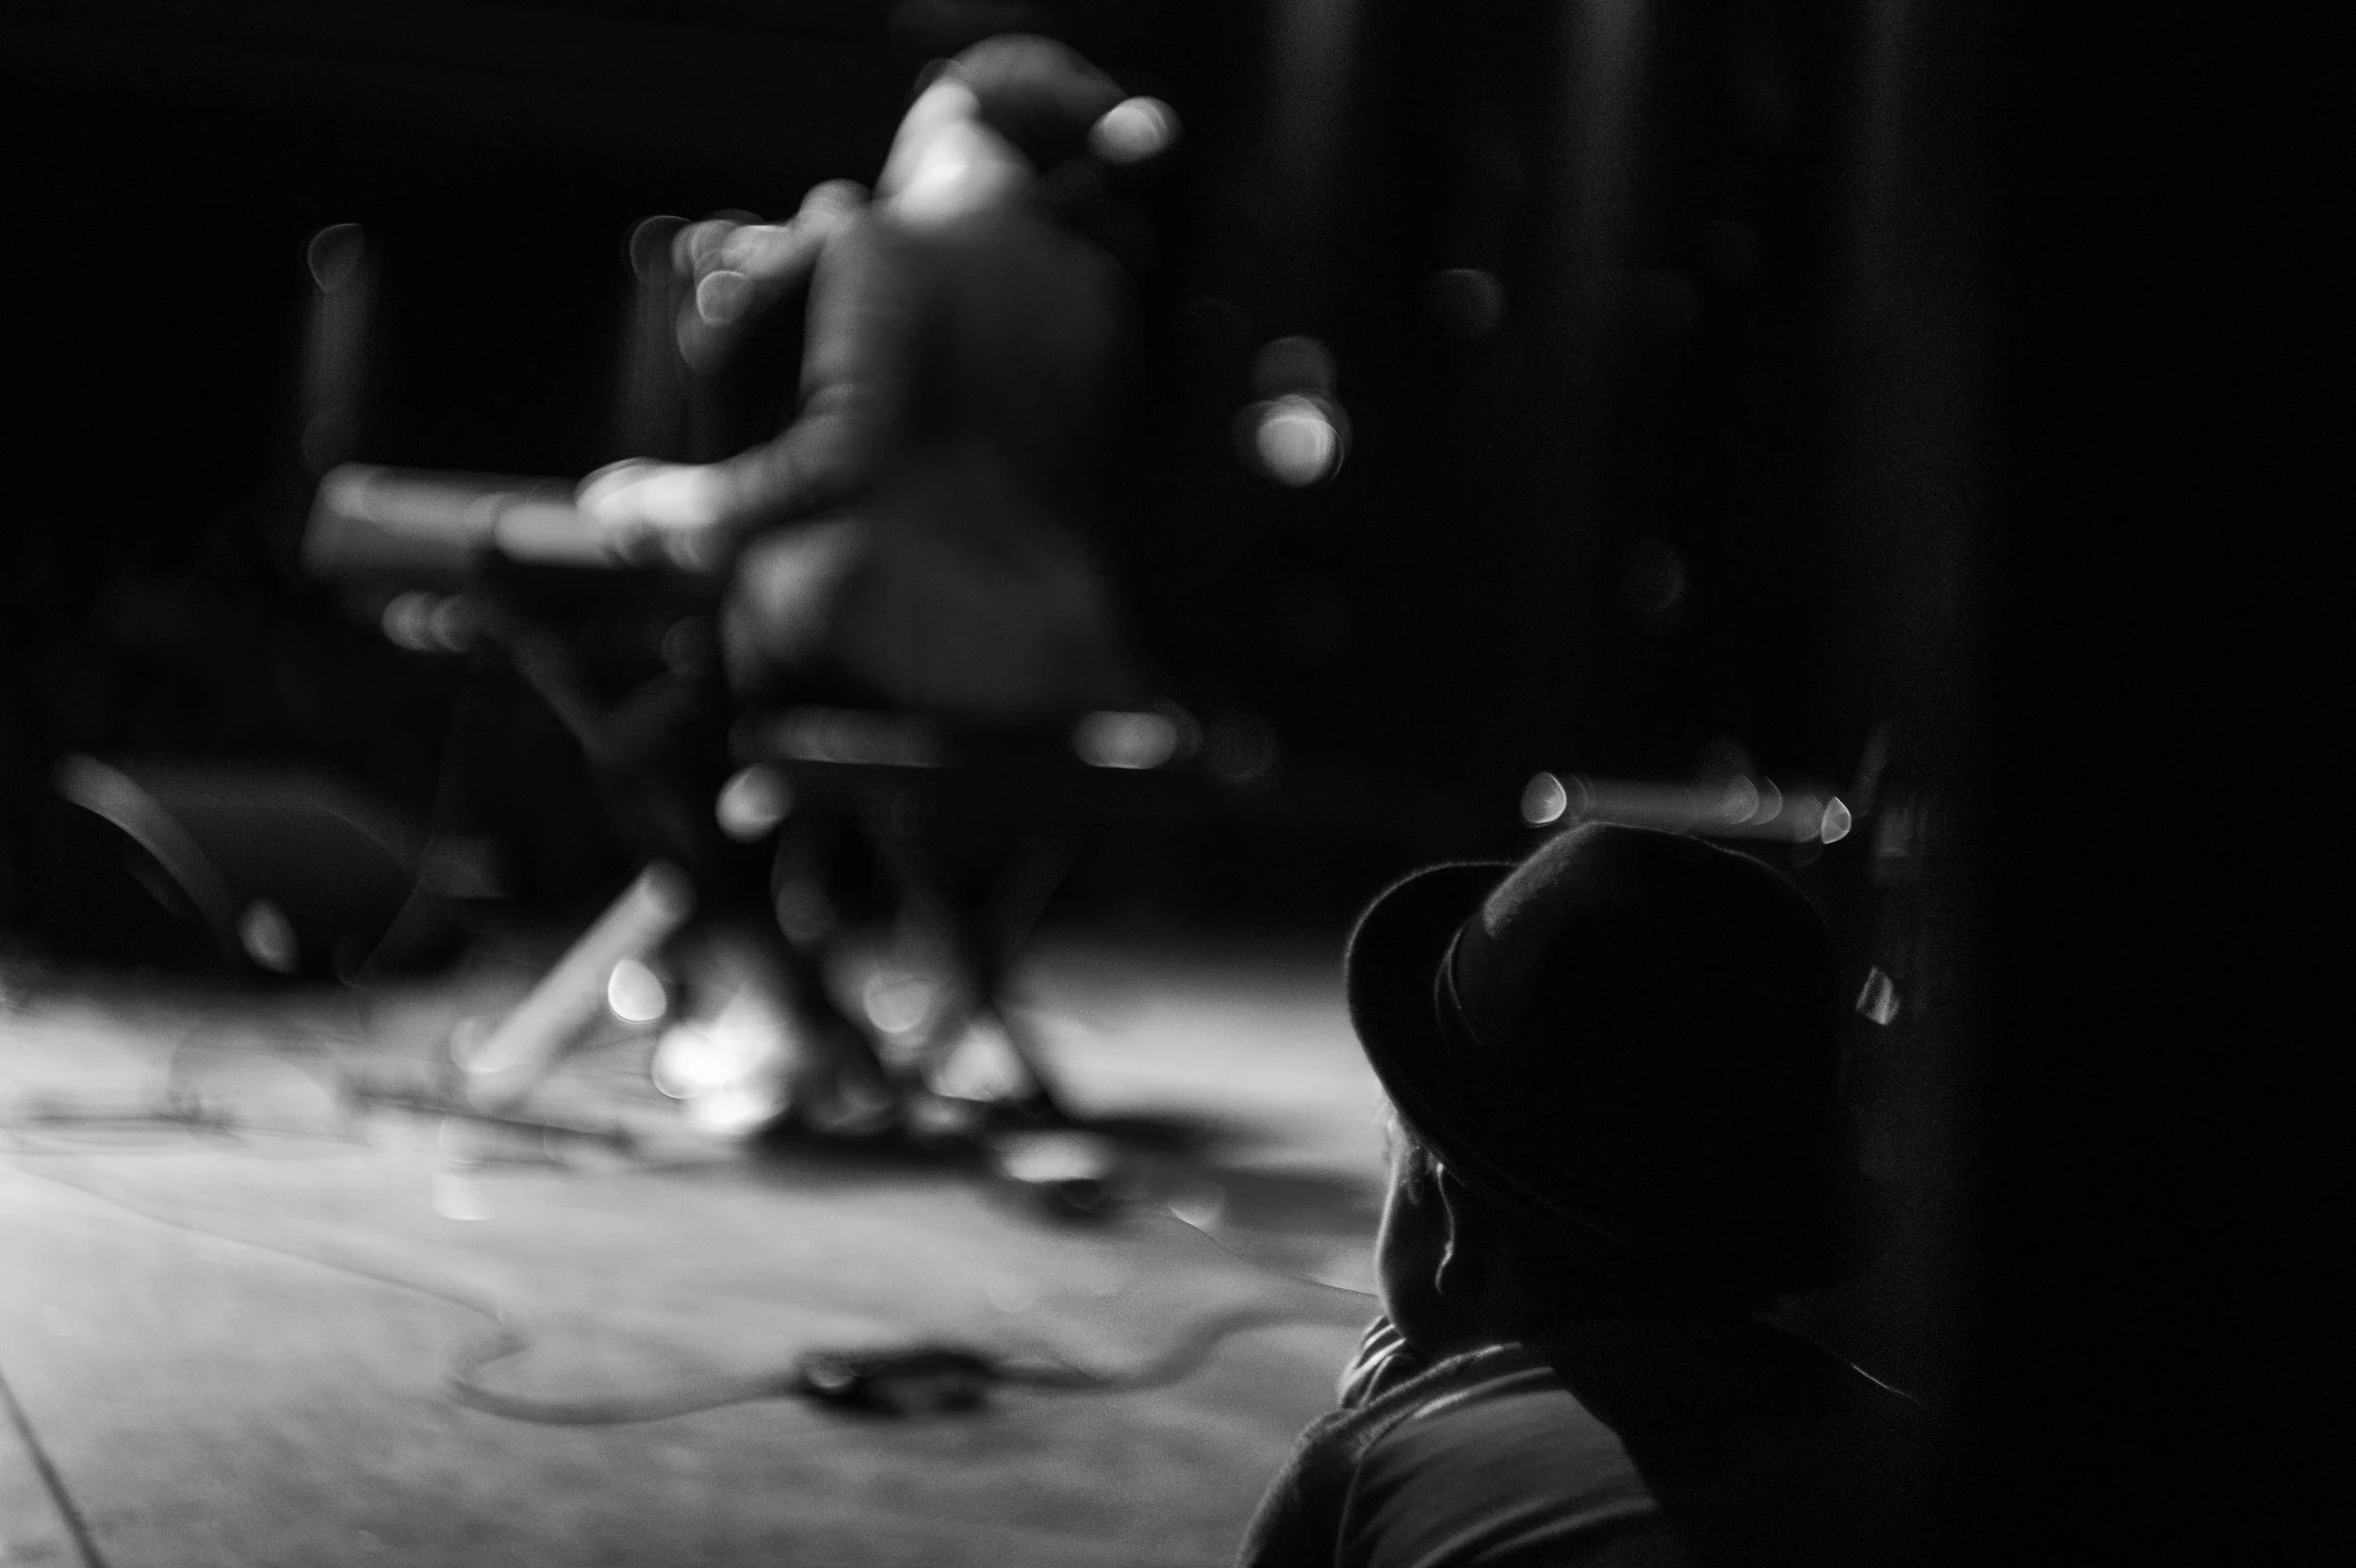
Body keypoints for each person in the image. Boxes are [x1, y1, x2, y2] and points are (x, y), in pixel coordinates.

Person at [573, 38, 1178, 1134]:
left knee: (653, 742)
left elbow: (843, 452)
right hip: (1059, 650)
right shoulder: (1090, 279)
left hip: (892, 625)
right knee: (838, 770)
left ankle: (793, 1015)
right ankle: (952, 1010)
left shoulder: (889, 239)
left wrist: (688, 498)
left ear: (954, 121)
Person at [1239, 824, 1935, 1567]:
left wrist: (1382, 1425)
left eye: (1391, 1158)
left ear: (1459, 1238)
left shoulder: (1359, 1475)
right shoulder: (1927, 1457)